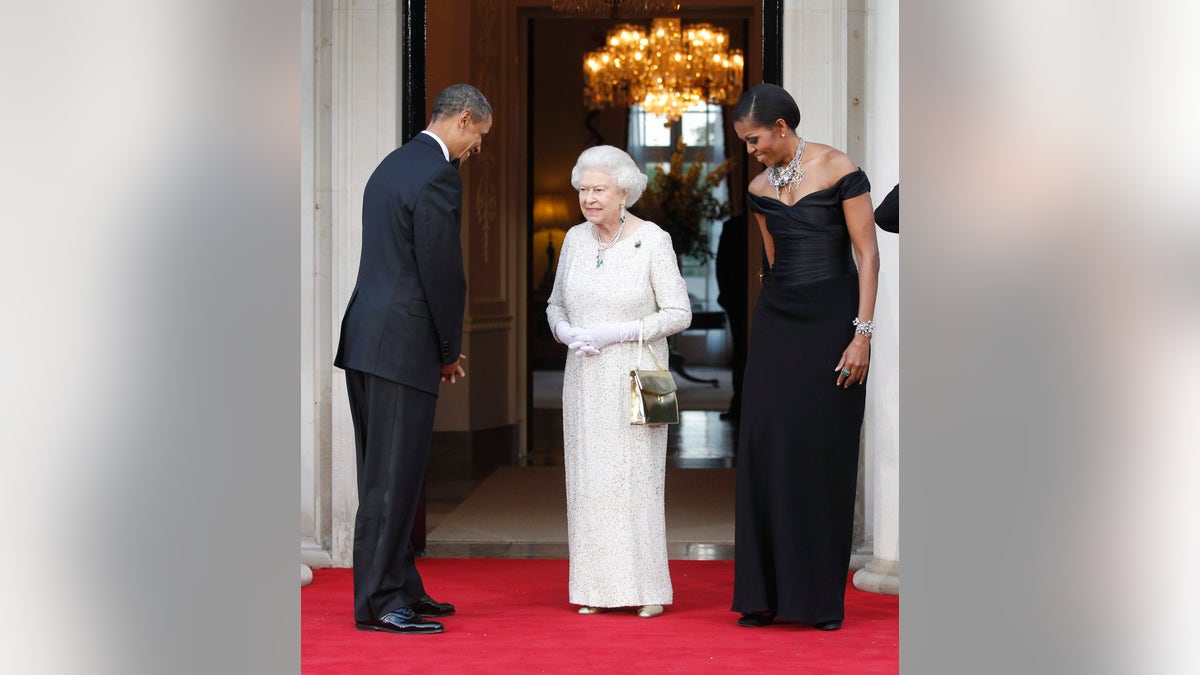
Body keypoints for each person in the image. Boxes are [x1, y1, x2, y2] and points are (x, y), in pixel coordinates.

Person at [334, 84, 493, 635]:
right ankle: (380, 601)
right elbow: (440, 271)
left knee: (387, 473)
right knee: (391, 479)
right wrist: (448, 350)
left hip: (368, 338)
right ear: (465, 119)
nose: (476, 149)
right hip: (401, 345)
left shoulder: (393, 164)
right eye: (479, 137)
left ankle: (400, 585)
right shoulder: (437, 173)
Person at [728, 83, 880, 630]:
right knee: (766, 446)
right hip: (778, 323)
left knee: (822, 451)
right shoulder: (756, 186)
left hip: (834, 322)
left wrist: (862, 334)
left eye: (755, 139)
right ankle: (764, 596)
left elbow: (868, 254)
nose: (752, 150)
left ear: (783, 128)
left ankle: (816, 599)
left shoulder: (839, 167)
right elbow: (771, 261)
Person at [546, 145, 692, 619]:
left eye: (598, 189)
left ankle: (647, 587)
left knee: (636, 482)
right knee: (589, 481)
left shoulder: (652, 239)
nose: (589, 198)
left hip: (637, 373)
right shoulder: (573, 239)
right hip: (585, 375)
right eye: (583, 190)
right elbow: (555, 305)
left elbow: (678, 313)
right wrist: (564, 330)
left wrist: (621, 331)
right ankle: (594, 587)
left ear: (623, 191)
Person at [715, 211, 748, 423]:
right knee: (741, 351)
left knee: (743, 351)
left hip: (761, 298)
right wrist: (726, 297)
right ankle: (738, 403)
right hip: (737, 301)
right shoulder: (732, 226)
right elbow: (721, 266)